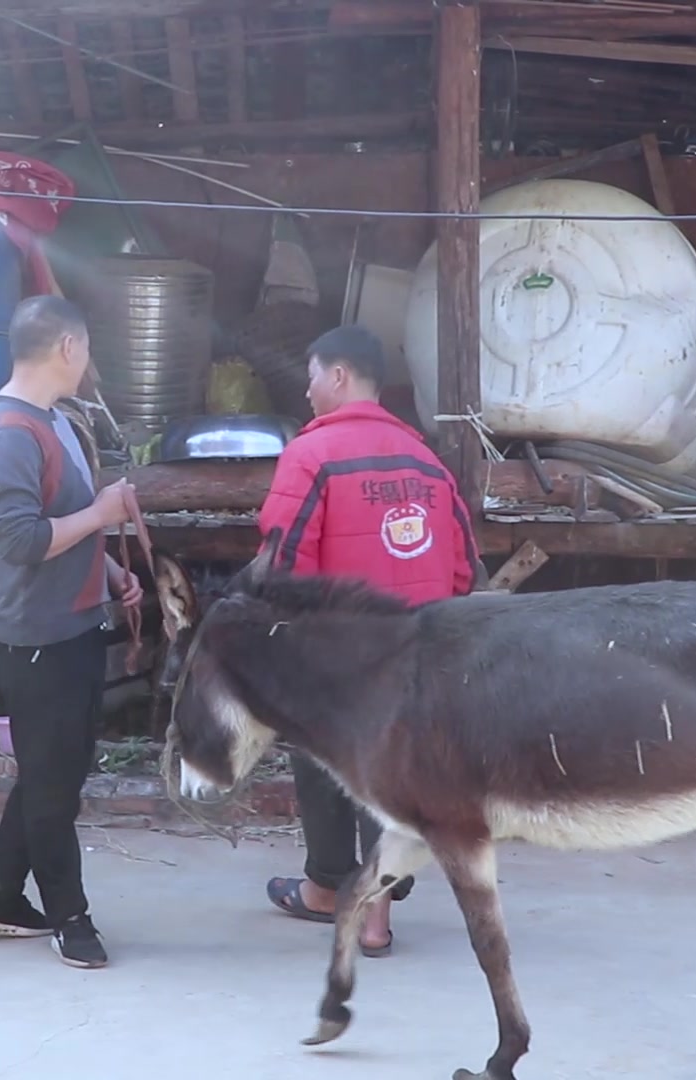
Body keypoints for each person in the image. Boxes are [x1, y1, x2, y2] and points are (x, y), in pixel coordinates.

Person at [257, 325, 479, 958]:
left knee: (326, 761)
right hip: (418, 649)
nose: (305, 388)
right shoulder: (425, 461)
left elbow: (281, 561)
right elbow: (462, 566)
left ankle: (333, 888)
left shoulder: (310, 456)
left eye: (311, 374)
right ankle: (372, 912)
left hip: (338, 652)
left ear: (338, 377)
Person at [0, 294, 141, 970]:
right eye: (87, 348)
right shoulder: (11, 431)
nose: (88, 361)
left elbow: (66, 519)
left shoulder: (52, 421)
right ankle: (72, 918)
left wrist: (112, 567)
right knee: (52, 786)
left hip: (71, 623)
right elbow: (20, 540)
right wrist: (101, 517)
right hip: (36, 636)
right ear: (67, 347)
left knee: (51, 774)